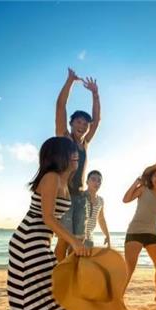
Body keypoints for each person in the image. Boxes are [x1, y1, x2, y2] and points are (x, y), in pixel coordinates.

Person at [3, 137, 93, 310]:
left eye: (76, 152)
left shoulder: (65, 181)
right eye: (71, 152)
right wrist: (74, 242)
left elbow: (53, 224)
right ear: (58, 155)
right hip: (28, 244)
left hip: (37, 244)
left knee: (44, 303)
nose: (76, 155)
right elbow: (47, 219)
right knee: (46, 301)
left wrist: (73, 240)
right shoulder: (52, 178)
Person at [54, 67, 101, 261]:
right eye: (79, 122)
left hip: (80, 197)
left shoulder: (85, 143)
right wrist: (69, 82)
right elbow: (60, 106)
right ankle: (58, 272)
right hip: (64, 195)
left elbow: (97, 120)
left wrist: (95, 94)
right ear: (72, 123)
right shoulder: (64, 137)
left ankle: (72, 272)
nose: (82, 126)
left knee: (79, 239)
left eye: (85, 124)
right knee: (65, 240)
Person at [123, 163, 156, 310]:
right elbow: (125, 199)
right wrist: (136, 182)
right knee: (129, 267)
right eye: (155, 176)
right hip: (135, 231)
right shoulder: (143, 189)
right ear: (151, 178)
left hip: (151, 234)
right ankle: (119, 297)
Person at [83, 170, 111, 249]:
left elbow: (101, 219)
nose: (96, 183)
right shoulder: (81, 196)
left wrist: (107, 236)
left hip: (89, 239)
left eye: (99, 181)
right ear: (87, 182)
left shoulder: (100, 200)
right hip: (77, 237)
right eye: (93, 179)